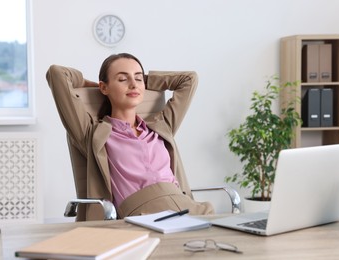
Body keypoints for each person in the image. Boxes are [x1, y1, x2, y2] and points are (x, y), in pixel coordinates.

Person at [46, 53, 214, 220]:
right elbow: (57, 73)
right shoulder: (94, 134)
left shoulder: (162, 126)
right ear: (104, 88)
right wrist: (86, 84)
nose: (133, 85)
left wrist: (144, 80)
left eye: (138, 78)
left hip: (190, 209)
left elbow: (189, 80)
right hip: (143, 218)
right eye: (122, 79)